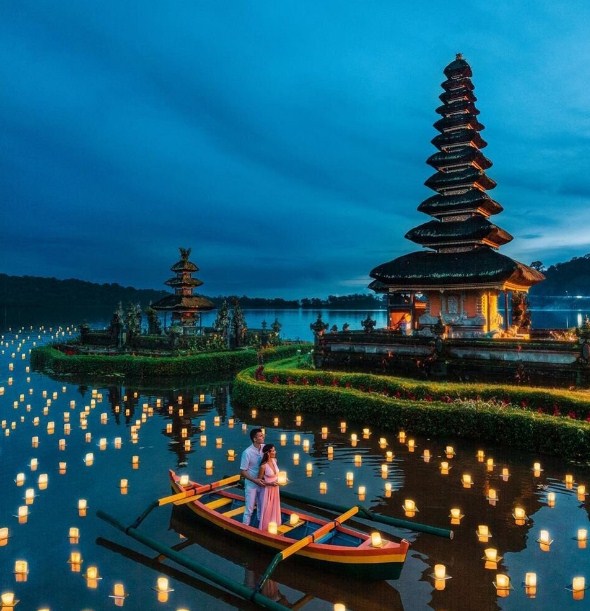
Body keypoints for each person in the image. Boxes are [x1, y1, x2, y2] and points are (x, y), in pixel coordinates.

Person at [240, 428, 266, 526]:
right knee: (249, 509)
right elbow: (243, 471)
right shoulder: (247, 452)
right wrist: (255, 480)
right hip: (251, 484)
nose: (263, 437)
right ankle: (244, 528)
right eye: (260, 436)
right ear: (255, 439)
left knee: (262, 507)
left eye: (262, 435)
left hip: (262, 483)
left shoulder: (264, 448)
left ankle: (260, 528)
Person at [257, 443, 281, 532]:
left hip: (275, 489)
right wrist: (270, 484)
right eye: (273, 450)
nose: (275, 452)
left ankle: (275, 525)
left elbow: (277, 475)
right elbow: (259, 481)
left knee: (275, 507)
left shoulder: (275, 460)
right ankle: (264, 528)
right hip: (267, 490)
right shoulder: (263, 466)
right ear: (268, 453)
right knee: (267, 509)